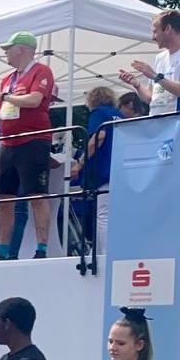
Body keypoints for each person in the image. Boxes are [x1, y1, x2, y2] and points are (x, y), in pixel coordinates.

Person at [120, 9, 180, 238]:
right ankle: (162, 230)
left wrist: (155, 75)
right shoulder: (160, 58)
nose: (152, 36)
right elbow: (152, 98)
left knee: (176, 180)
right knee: (157, 180)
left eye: (155, 30)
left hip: (179, 125)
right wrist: (137, 84)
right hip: (156, 126)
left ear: (168, 29)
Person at [0, 31, 59, 260]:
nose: (5, 53)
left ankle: (41, 249)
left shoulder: (41, 71)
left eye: (8, 48)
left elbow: (34, 100)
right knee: (4, 197)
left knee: (36, 195)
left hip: (34, 139)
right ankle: (2, 251)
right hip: (6, 141)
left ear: (22, 49)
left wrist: (5, 96)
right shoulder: (7, 79)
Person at [68, 86, 121, 254]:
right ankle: (102, 252)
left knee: (103, 214)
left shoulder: (98, 114)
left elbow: (98, 137)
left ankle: (105, 254)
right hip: (121, 170)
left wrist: (80, 164)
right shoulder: (120, 115)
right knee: (115, 214)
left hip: (104, 171)